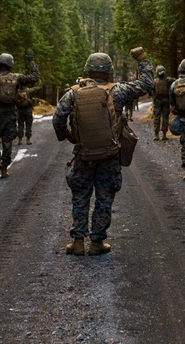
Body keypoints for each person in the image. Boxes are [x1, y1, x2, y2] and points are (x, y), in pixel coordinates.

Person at [52, 47, 152, 255]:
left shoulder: (73, 92)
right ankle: (97, 242)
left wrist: (69, 137)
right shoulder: (119, 91)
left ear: (88, 71)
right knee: (105, 196)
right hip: (109, 154)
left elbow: (58, 119)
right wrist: (142, 59)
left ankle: (78, 242)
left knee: (80, 195)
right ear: (108, 72)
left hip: (83, 154)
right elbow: (146, 84)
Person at [0, 51, 39, 178]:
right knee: (7, 142)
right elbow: (34, 78)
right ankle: (4, 169)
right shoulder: (16, 77)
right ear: (10, 65)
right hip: (11, 114)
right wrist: (33, 64)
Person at [152, 65, 175, 141]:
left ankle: (156, 135)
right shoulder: (168, 80)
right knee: (165, 117)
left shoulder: (154, 81)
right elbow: (176, 81)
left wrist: (153, 96)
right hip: (166, 100)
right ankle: (164, 135)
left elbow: (150, 90)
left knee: (157, 117)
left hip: (157, 101)